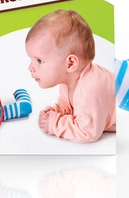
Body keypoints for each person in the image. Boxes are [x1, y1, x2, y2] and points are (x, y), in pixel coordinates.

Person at [25, 9, 116, 143]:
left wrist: (55, 123)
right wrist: (57, 112)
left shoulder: (90, 91)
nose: (30, 68)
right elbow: (71, 106)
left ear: (70, 63)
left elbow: (87, 131)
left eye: (39, 60)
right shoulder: (70, 80)